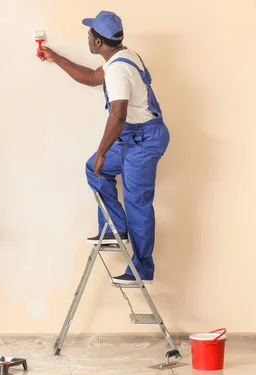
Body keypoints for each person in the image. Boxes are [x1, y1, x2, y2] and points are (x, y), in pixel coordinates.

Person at [38, 11, 170, 284]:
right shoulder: (122, 57)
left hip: (143, 140)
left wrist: (101, 152)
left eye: (89, 34)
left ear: (98, 42)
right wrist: (56, 57)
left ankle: (142, 269)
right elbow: (89, 77)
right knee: (94, 170)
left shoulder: (119, 70)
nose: (87, 36)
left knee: (138, 204)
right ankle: (114, 229)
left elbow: (118, 115)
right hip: (133, 136)